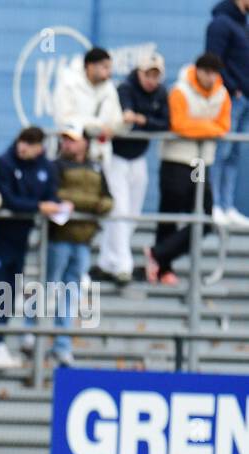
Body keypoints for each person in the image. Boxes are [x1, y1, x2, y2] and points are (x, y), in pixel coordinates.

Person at [149, 54, 232, 284]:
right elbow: (179, 124)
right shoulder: (180, 91)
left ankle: (159, 253)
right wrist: (208, 128)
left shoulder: (221, 94)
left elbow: (224, 126)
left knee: (204, 217)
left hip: (200, 162)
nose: (211, 77)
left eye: (215, 73)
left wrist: (199, 128)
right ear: (197, 71)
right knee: (171, 210)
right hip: (176, 158)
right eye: (207, 72)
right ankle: (164, 268)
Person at [0, 127, 58, 369]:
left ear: (40, 147)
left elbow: (51, 196)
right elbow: (8, 200)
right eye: (21, 141)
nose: (22, 147)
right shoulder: (4, 163)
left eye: (29, 144)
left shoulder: (45, 167)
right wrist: (38, 206)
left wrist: (50, 205)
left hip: (20, 243)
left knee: (9, 292)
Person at [96, 53, 168, 285]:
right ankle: (123, 265)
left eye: (156, 75)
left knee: (133, 214)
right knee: (120, 210)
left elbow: (166, 123)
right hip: (117, 157)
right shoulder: (125, 88)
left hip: (138, 157)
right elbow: (124, 115)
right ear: (139, 72)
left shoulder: (160, 93)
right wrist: (135, 117)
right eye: (148, 74)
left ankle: (108, 260)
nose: (151, 80)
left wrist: (142, 119)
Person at [47, 126, 112, 365]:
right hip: (58, 237)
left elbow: (108, 200)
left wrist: (87, 204)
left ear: (85, 142)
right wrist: (91, 204)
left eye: (72, 140)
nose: (67, 144)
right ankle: (30, 336)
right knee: (45, 288)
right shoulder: (56, 166)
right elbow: (55, 196)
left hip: (84, 240)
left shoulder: (96, 167)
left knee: (70, 293)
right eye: (64, 139)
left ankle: (61, 344)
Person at [206, 0, 249, 225]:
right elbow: (213, 61)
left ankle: (227, 204)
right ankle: (212, 203)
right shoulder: (221, 23)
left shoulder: (242, 24)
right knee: (220, 152)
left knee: (233, 154)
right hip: (230, 99)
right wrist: (234, 89)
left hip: (244, 101)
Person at [52, 46, 125, 163]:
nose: (109, 72)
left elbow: (116, 121)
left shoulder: (109, 88)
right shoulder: (68, 82)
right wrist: (98, 127)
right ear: (90, 66)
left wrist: (119, 127)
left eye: (110, 67)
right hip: (71, 153)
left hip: (100, 154)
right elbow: (64, 118)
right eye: (105, 67)